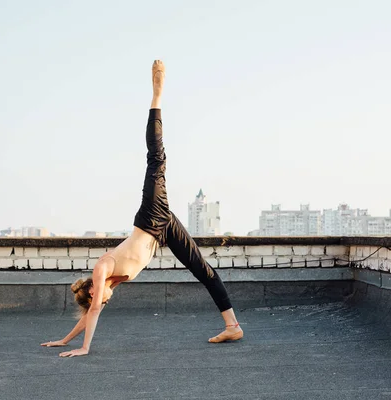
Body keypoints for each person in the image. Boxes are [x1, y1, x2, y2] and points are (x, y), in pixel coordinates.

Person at [41, 60, 243, 357]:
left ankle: (157, 95)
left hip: (150, 217)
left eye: (100, 298)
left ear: (94, 290)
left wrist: (84, 348)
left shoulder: (102, 269)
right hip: (164, 229)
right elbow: (91, 312)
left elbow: (94, 309)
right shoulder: (114, 280)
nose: (105, 301)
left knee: (156, 160)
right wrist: (65, 340)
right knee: (202, 269)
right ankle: (232, 326)